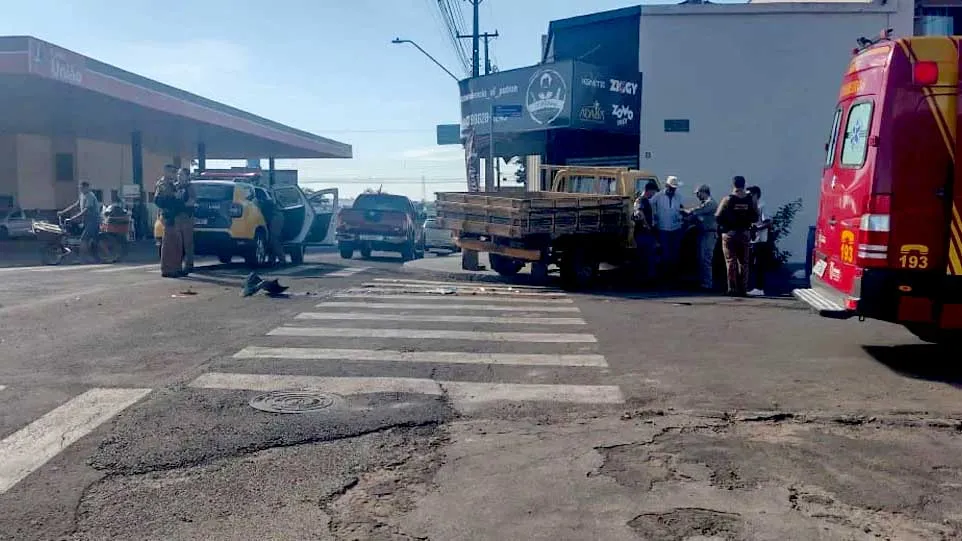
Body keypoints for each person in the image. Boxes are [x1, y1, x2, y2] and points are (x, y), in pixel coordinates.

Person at [715, 175, 759, 296]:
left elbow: (718, 216)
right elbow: (755, 217)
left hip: (730, 234)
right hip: (744, 233)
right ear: (744, 185)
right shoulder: (750, 199)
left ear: (733, 185)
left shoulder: (728, 199)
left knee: (730, 261)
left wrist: (726, 227)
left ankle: (732, 288)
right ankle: (743, 289)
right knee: (744, 262)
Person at [682, 184, 718, 291]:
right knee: (701, 259)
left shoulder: (710, 203)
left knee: (706, 259)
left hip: (709, 234)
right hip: (703, 233)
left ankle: (707, 283)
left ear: (703, 192)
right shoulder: (705, 203)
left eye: (698, 193)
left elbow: (698, 211)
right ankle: (703, 282)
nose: (697, 196)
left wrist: (687, 211)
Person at [651, 175, 685, 282]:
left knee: (675, 253)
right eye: (671, 187)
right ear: (666, 186)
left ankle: (673, 276)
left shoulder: (678, 196)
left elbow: (680, 208)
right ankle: (665, 277)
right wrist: (654, 217)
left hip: (676, 228)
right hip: (663, 228)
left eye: (674, 188)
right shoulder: (658, 196)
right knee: (665, 253)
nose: (672, 190)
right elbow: (649, 204)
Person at [154, 164, 185, 278]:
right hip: (168, 215)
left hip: (175, 215)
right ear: (166, 172)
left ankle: (176, 268)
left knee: (176, 244)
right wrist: (174, 197)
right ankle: (167, 269)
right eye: (172, 172)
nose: (174, 175)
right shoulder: (162, 185)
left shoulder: (172, 184)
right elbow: (158, 200)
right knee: (168, 244)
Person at [58, 181, 101, 262]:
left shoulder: (90, 196)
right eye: (80, 188)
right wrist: (62, 212)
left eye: (82, 188)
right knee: (94, 240)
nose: (80, 189)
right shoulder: (82, 195)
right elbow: (75, 205)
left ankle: (82, 258)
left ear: (86, 187)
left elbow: (86, 210)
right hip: (86, 221)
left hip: (93, 221)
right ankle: (95, 257)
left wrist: (74, 217)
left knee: (83, 239)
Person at [747, 185, 773, 297]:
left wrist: (757, 228)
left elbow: (768, 222)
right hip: (753, 240)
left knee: (759, 264)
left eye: (749, 194)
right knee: (753, 264)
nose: (747, 196)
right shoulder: (752, 206)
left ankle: (759, 288)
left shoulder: (762, 206)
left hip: (761, 240)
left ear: (755, 195)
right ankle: (755, 287)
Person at [632, 180, 659, 284]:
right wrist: (647, 225)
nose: (654, 194)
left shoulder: (645, 200)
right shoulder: (642, 200)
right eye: (653, 192)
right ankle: (645, 280)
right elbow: (639, 212)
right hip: (643, 233)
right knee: (646, 257)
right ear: (649, 190)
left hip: (643, 233)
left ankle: (645, 279)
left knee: (646, 257)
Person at [174, 168, 196, 274]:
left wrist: (181, 205)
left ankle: (189, 265)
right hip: (176, 217)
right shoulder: (175, 186)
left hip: (186, 217)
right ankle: (176, 265)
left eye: (181, 174)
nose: (179, 176)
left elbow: (192, 201)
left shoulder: (190, 187)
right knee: (177, 243)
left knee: (187, 243)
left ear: (187, 176)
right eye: (178, 174)